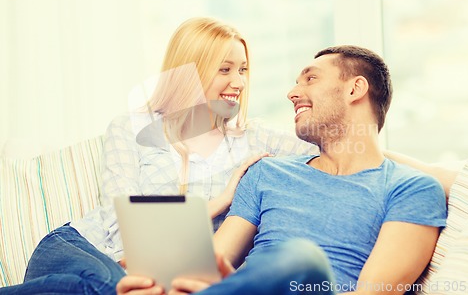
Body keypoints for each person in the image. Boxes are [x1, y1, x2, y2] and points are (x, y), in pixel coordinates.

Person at [0, 17, 316, 294]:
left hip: (152, 278)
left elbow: (330, 148)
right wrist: (216, 205)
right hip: (79, 248)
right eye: (225, 70)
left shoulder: (255, 137)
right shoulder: (131, 128)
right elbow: (121, 228)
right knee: (123, 289)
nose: (239, 82)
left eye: (243, 70)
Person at [117, 45, 448, 295]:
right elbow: (213, 262)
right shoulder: (267, 173)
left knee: (301, 258)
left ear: (354, 89)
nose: (292, 93)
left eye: (310, 79)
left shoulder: (412, 189)